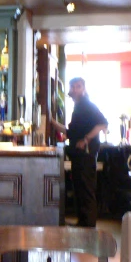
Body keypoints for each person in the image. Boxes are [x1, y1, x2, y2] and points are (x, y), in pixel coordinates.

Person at [51, 77, 108, 227]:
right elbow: (72, 132)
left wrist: (86, 139)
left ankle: (88, 225)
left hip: (86, 154)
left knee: (86, 189)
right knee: (80, 188)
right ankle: (84, 222)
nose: (75, 89)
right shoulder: (78, 107)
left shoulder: (87, 105)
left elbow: (103, 123)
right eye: (73, 87)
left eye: (78, 86)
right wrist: (53, 123)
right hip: (79, 154)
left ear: (84, 89)